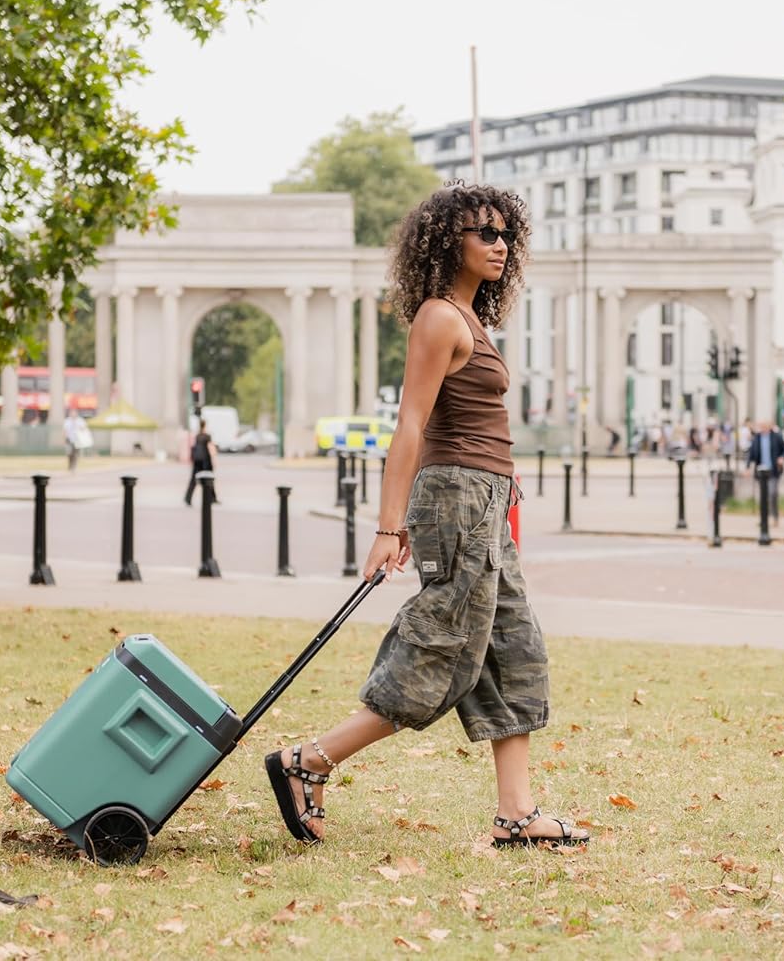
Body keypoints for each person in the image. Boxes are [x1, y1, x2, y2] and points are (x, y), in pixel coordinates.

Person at [261, 183, 586, 850]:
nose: (500, 246)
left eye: (505, 236)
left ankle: (517, 815)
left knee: (513, 650)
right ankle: (307, 761)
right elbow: (409, 424)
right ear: (449, 243)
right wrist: (388, 526)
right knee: (441, 650)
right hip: (458, 501)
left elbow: (468, 419)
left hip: (485, 500)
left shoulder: (470, 319)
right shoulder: (440, 318)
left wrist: (503, 478)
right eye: (484, 235)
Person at [746, 419, 784, 526]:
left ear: (770, 427)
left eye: (765, 426)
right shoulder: (757, 438)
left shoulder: (776, 437)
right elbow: (751, 453)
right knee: (763, 496)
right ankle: (763, 519)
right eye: (761, 426)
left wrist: (782, 458)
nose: (763, 428)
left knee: (772, 494)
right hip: (761, 472)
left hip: (773, 471)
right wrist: (747, 467)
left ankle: (775, 517)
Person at [184, 420, 216, 505]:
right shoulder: (207, 436)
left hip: (197, 460)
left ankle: (188, 498)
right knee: (209, 479)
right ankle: (212, 497)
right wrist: (214, 460)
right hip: (205, 460)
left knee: (193, 480)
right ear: (205, 426)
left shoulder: (197, 435)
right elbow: (211, 448)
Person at [63, 407, 91, 473]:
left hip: (77, 440)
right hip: (69, 439)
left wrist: (81, 428)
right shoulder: (67, 421)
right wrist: (64, 438)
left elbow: (84, 428)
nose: (73, 414)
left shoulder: (80, 421)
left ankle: (73, 467)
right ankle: (70, 465)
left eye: (74, 413)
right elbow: (64, 430)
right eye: (72, 413)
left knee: (75, 454)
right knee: (69, 453)